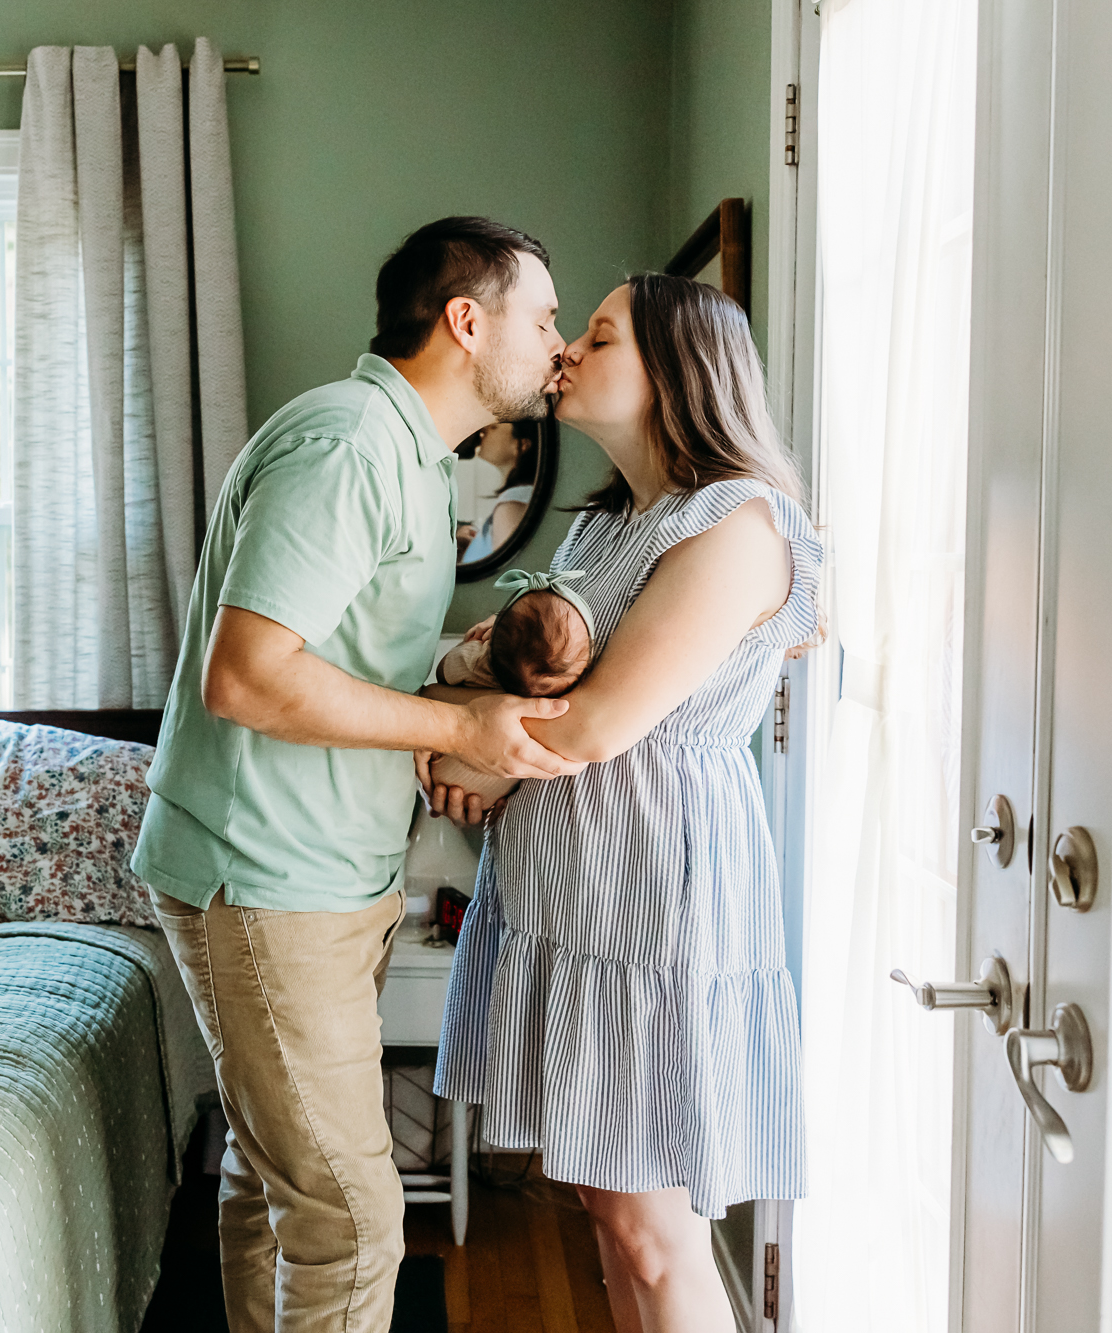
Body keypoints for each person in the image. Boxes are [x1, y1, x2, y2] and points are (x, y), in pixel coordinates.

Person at [131, 216, 577, 1333]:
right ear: (466, 322)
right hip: (269, 875)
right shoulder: (345, 446)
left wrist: (458, 665)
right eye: (544, 316)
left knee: (269, 1184)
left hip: (321, 872)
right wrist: (455, 730)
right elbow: (248, 676)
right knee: (354, 1219)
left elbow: (335, 654)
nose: (557, 341)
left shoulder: (414, 463)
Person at [424, 274, 822, 1333]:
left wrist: (479, 761)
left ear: (675, 374)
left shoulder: (735, 522)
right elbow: (517, 681)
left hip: (650, 896)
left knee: (653, 1234)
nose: (565, 353)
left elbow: (594, 726)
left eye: (595, 337)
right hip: (570, 892)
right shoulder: (606, 526)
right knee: (608, 1215)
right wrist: (476, 721)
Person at [430, 569, 598, 802]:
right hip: (488, 794)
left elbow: (444, 672)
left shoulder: (476, 661)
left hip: (440, 770)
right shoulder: (557, 704)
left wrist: (470, 645)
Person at [456, 418, 540, 561]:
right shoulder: (519, 499)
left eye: (494, 427)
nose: (483, 431)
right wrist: (474, 546)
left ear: (522, 445)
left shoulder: (512, 505)